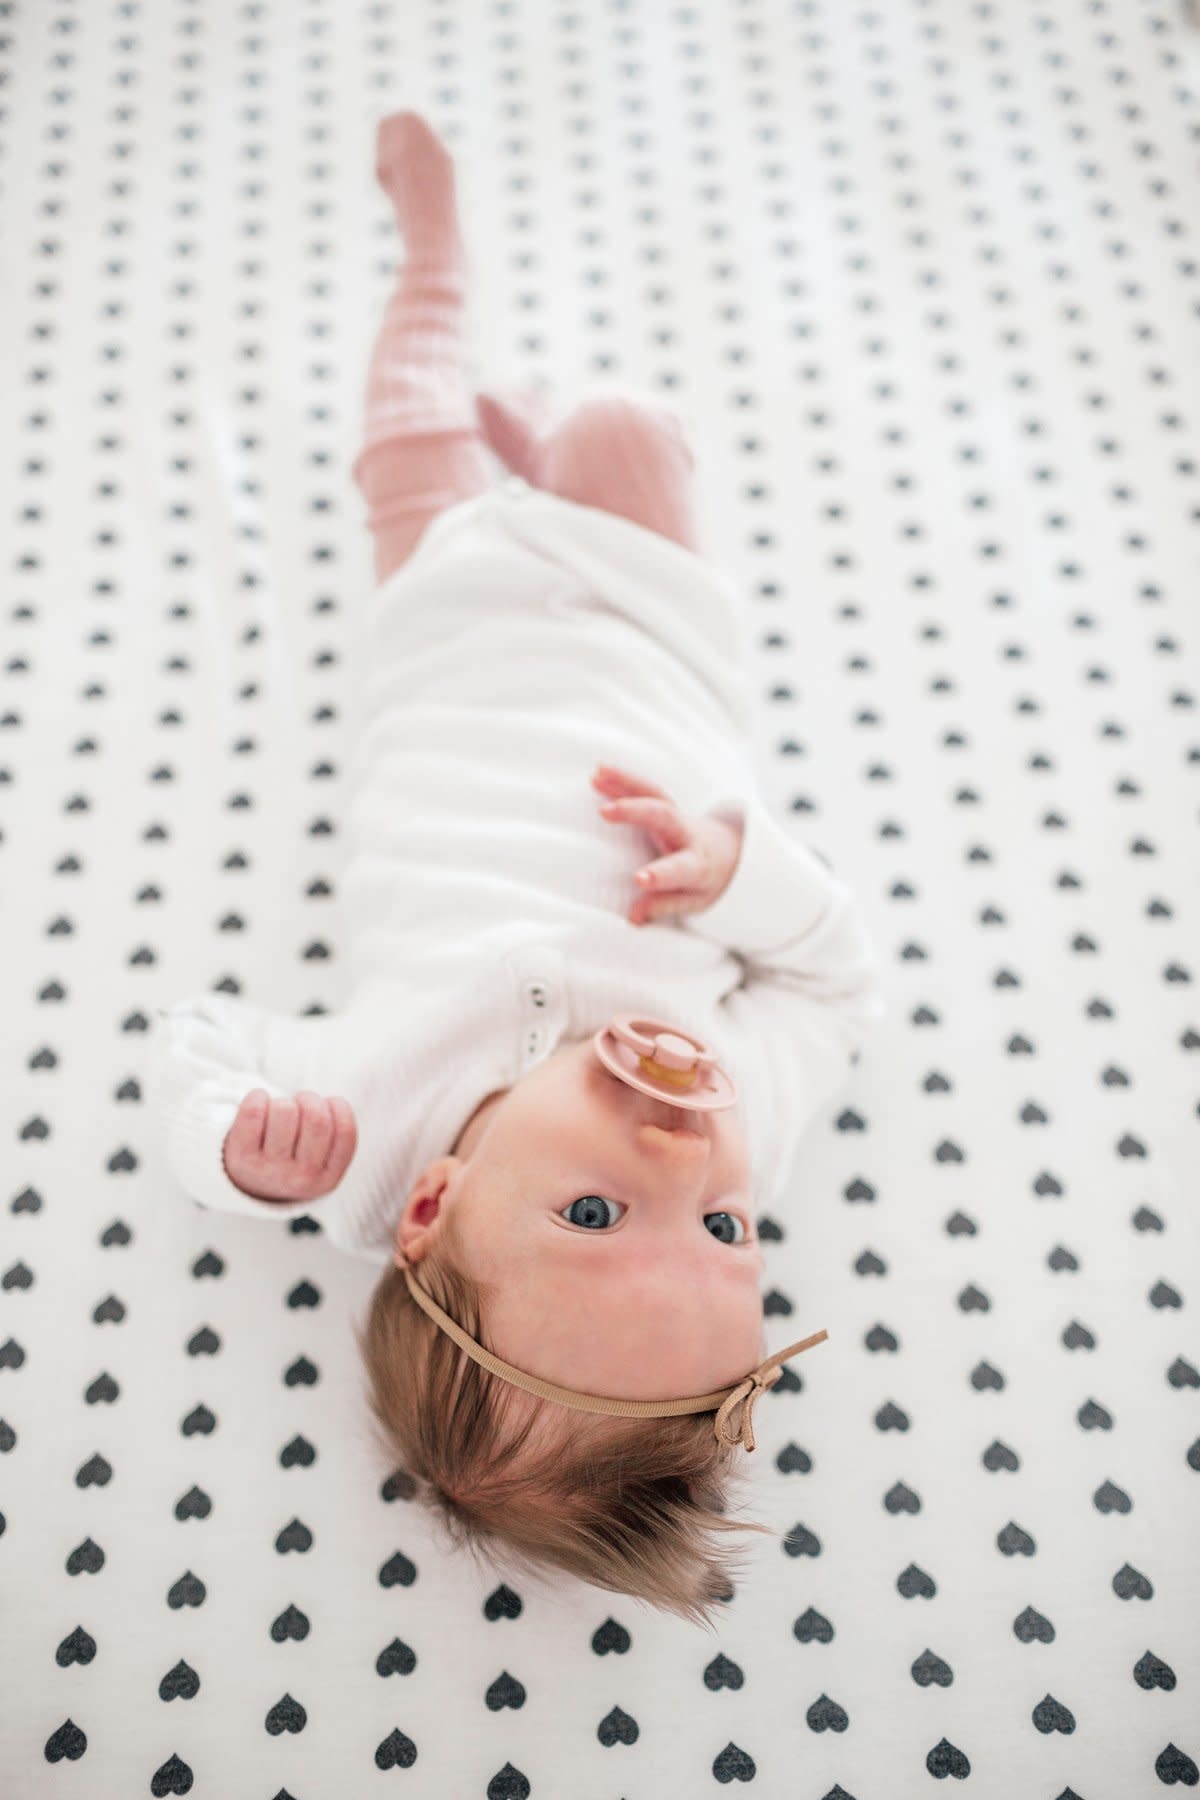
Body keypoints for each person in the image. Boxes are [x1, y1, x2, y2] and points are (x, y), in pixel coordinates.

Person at [151, 112, 887, 1628]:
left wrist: (232, 1146)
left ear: (431, 1207)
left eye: (599, 1219)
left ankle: (434, 254)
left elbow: (198, 1052)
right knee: (627, 432)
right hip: (644, 636)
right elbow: (839, 978)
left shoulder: (360, 1132)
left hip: (442, 633)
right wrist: (740, 874)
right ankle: (554, 449)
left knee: (404, 433)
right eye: (733, 1232)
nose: (690, 1164)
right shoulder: (756, 1099)